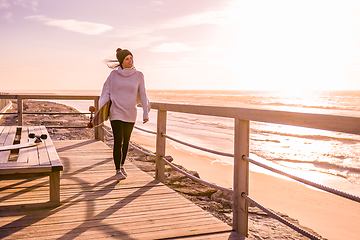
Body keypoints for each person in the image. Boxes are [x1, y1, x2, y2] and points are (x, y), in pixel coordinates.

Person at [99, 48, 150, 181]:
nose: (130, 60)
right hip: (116, 111)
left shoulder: (139, 75)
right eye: (127, 58)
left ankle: (122, 165)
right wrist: (102, 110)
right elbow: (106, 92)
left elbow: (143, 93)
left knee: (126, 141)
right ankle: (117, 170)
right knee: (118, 140)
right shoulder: (113, 75)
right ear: (121, 61)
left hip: (130, 112)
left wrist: (145, 111)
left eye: (131, 57)